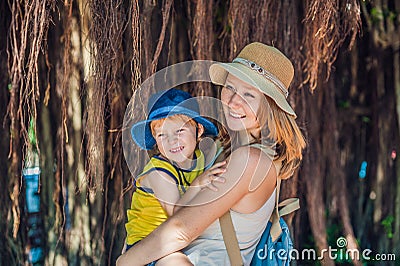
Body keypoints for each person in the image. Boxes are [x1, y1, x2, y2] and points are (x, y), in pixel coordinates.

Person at [117, 42, 306, 266]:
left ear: (270, 106)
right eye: (230, 88)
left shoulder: (250, 161)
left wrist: (124, 261)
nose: (234, 102)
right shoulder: (223, 150)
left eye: (249, 95)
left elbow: (181, 229)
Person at [124, 88, 226, 265]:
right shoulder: (158, 174)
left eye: (179, 131)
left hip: (172, 244)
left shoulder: (199, 160)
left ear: (199, 130)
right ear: (155, 138)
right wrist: (197, 184)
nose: (172, 141)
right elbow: (178, 217)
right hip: (145, 249)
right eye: (162, 134)